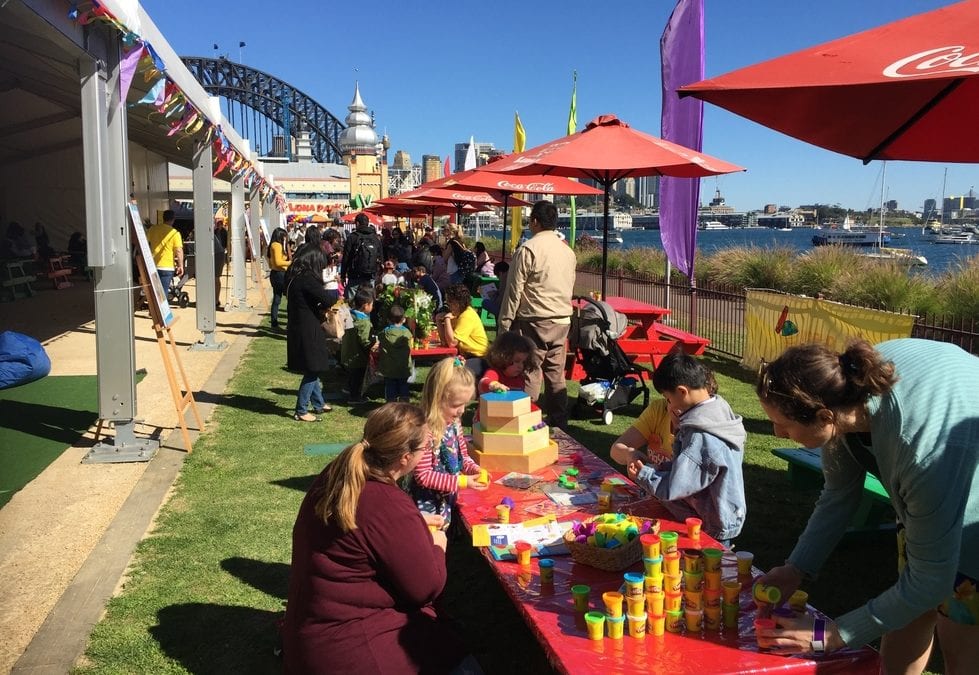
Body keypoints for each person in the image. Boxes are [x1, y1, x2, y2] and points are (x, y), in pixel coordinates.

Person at [754, 338, 979, 672]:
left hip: (969, 501)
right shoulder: (842, 392)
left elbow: (932, 582)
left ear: (824, 415)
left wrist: (833, 634)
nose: (777, 432)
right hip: (935, 473)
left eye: (784, 425)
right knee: (907, 616)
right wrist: (796, 568)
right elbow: (838, 495)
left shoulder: (922, 452)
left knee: (958, 631)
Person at [281, 403, 469, 674]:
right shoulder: (387, 503)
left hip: (309, 637)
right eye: (424, 449)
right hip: (350, 652)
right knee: (462, 663)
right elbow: (425, 588)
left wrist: (412, 524)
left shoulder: (339, 475)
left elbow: (367, 528)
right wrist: (438, 545)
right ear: (405, 457)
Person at [623, 352, 746, 545]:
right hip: (719, 510)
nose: (669, 406)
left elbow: (678, 485)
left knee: (707, 568)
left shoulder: (701, 436)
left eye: (668, 399)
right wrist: (660, 469)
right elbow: (686, 466)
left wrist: (644, 475)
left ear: (682, 392)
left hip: (710, 521)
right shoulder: (717, 409)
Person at [497, 200, 576, 429]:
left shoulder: (528, 249)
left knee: (531, 371)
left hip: (534, 318)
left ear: (534, 221)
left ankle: (526, 418)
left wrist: (504, 324)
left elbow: (514, 290)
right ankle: (559, 422)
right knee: (556, 374)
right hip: (562, 318)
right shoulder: (567, 252)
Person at [407, 357, 485, 527]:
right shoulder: (425, 431)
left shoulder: (454, 424)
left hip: (446, 495)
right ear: (437, 399)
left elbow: (462, 457)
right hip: (426, 503)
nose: (462, 411)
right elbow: (423, 476)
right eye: (457, 404)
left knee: (445, 529)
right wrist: (462, 482)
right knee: (430, 539)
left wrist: (475, 469)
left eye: (466, 404)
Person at [285, 245, 339, 421]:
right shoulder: (307, 278)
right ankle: (301, 410)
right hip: (307, 327)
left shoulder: (295, 276)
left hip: (299, 324)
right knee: (313, 367)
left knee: (313, 364)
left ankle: (318, 403)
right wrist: (332, 282)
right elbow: (329, 299)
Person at [435, 284, 488, 376]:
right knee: (443, 367)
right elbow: (445, 342)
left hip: (480, 358)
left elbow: (452, 343)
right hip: (466, 355)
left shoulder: (467, 316)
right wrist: (438, 320)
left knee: (451, 370)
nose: (447, 305)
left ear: (457, 303)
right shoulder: (457, 314)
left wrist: (446, 319)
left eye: (449, 302)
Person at [340, 286, 374, 404]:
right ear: (365, 305)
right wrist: (373, 344)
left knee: (351, 374)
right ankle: (354, 397)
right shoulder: (363, 322)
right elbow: (364, 340)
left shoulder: (350, 315)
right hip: (357, 355)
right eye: (371, 304)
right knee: (358, 376)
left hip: (347, 351)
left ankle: (347, 389)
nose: (372, 307)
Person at [341, 213, 382, 300]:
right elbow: (381, 258)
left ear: (357, 223)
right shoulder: (375, 238)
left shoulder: (352, 237)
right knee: (367, 301)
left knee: (351, 302)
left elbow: (346, 258)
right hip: (370, 276)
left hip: (354, 275)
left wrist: (343, 275)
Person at [379, 304, 413, 403]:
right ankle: (405, 405)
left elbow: (379, 341)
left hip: (389, 368)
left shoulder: (384, 333)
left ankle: (391, 406)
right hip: (404, 367)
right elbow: (410, 346)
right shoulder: (407, 334)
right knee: (404, 386)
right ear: (404, 319)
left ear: (388, 320)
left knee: (390, 387)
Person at [146, 209, 184, 293]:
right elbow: (178, 250)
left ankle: (154, 306)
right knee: (163, 293)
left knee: (155, 293)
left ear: (163, 218)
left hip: (153, 265)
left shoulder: (153, 229)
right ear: (173, 219)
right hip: (167, 267)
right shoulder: (175, 233)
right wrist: (180, 265)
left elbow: (145, 241)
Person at [267, 227, 290, 329]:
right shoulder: (277, 245)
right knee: (287, 298)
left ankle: (274, 322)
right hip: (280, 274)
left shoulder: (273, 245)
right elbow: (278, 262)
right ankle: (279, 322)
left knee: (276, 299)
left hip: (275, 274)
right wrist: (290, 263)